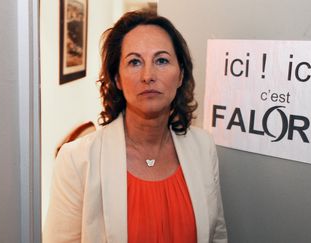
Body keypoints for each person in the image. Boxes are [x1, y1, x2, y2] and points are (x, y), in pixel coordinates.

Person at [43, 10, 227, 243]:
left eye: (161, 60)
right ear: (117, 79)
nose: (148, 75)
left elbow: (217, 235)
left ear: (180, 75)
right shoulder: (76, 161)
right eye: (134, 62)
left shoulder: (204, 146)